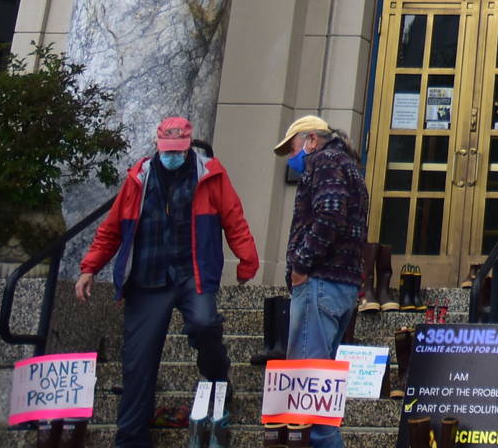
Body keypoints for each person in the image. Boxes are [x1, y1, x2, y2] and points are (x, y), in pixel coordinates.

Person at [76, 116, 259, 448]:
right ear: (158, 146)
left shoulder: (210, 174)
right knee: (138, 359)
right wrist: (89, 267)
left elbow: (234, 218)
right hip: (147, 278)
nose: (172, 155)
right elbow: (112, 227)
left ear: (188, 146)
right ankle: (131, 439)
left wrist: (247, 260)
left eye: (178, 149)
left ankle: (218, 378)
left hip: (194, 272)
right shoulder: (139, 178)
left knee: (206, 325)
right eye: (167, 149)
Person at [275, 114, 370, 448]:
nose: (292, 157)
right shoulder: (348, 166)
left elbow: (330, 215)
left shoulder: (324, 162)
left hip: (320, 283)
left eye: (293, 147)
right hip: (342, 284)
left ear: (311, 140)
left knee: (307, 397)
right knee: (320, 394)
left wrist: (301, 264)